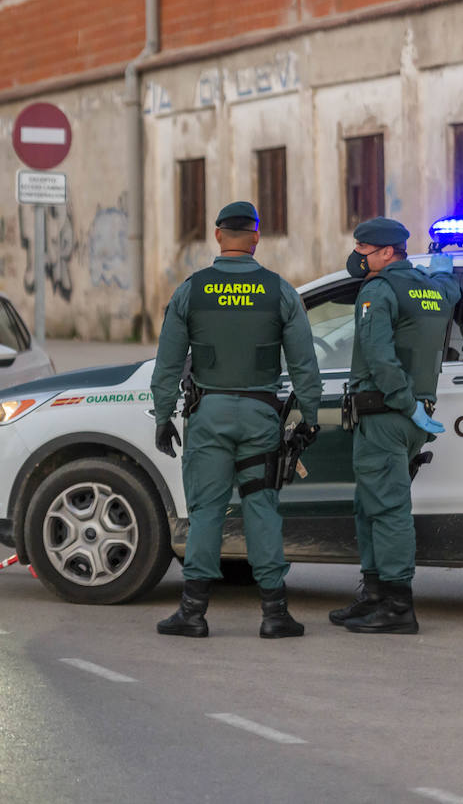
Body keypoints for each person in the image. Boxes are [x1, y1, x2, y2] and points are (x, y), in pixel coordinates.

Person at [150, 201, 322, 639]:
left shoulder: (191, 290)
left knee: (206, 511)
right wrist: (309, 417)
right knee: (261, 508)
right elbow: (305, 364)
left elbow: (168, 363)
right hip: (261, 416)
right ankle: (275, 613)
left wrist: (164, 415)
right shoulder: (280, 291)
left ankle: (193, 613)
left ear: (218, 236)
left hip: (208, 416)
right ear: (256, 238)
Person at [329, 218, 458, 634]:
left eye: (364, 249)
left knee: (388, 509)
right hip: (407, 415)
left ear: (388, 252)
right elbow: (449, 292)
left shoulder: (379, 290)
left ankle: (398, 606)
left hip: (388, 413)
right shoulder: (432, 287)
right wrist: (444, 269)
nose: (357, 256)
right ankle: (373, 596)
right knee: (370, 505)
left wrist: (404, 404)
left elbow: (380, 358)